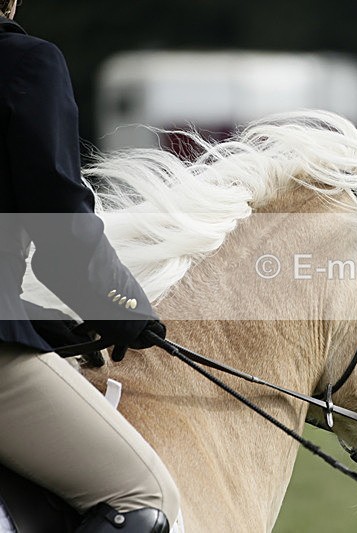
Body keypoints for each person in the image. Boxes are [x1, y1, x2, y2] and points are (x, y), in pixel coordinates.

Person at [0, 2, 179, 531]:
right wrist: (123, 307)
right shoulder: (24, 63)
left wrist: (27, 314)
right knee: (144, 498)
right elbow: (62, 234)